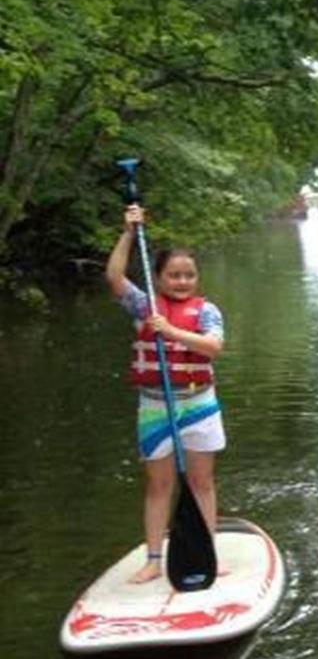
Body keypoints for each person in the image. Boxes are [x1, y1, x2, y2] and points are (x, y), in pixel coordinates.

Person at [104, 203, 225, 584]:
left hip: (199, 404)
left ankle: (208, 553)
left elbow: (213, 347)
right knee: (159, 485)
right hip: (156, 407)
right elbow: (114, 276)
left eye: (189, 275)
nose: (182, 281)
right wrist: (128, 231)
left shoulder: (207, 311)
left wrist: (172, 333)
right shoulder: (144, 306)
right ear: (158, 278)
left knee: (201, 483)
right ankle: (154, 558)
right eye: (174, 275)